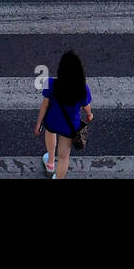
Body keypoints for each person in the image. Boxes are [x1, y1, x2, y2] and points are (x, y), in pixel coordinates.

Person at [36, 51, 92, 179]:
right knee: (64, 157)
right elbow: (86, 107)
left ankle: (50, 162)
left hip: (52, 121)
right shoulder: (83, 89)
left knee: (50, 134)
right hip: (69, 126)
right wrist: (90, 115)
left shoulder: (50, 83)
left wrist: (39, 123)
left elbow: (44, 105)